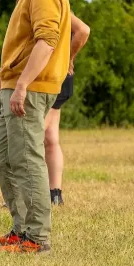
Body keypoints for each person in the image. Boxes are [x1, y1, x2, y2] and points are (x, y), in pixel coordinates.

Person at [0, 0, 72, 254]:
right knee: (3, 156)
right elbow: (31, 42)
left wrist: (21, 85)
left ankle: (37, 238)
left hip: (30, 89)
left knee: (27, 158)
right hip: (17, 83)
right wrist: (4, 71)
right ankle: (20, 229)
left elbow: (46, 40)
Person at [44, 12, 91, 206]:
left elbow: (83, 30)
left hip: (53, 75)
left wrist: (67, 59)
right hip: (59, 77)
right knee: (51, 138)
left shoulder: (55, 1)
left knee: (33, 137)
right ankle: (55, 195)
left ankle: (29, 196)